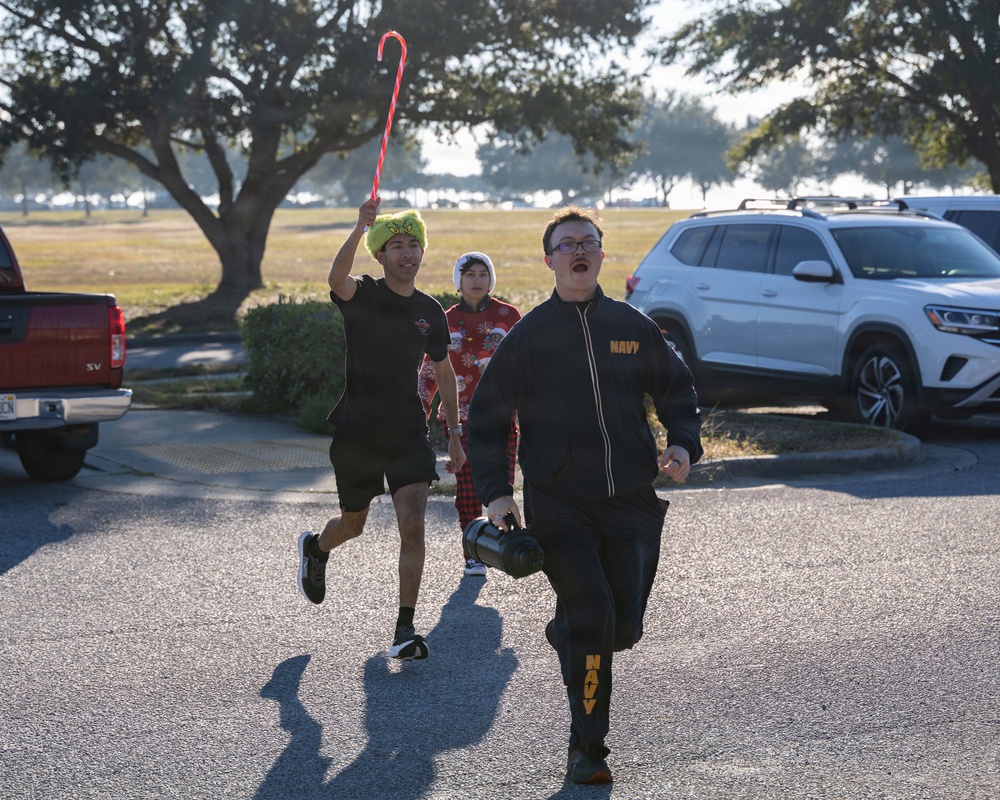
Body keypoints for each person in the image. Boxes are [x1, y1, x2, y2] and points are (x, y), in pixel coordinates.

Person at [467, 206, 703, 784]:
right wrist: (497, 495)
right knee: (595, 614)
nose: (579, 250)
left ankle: (567, 630)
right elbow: (487, 420)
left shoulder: (631, 325)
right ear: (550, 259)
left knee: (621, 630)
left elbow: (677, 388)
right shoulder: (529, 337)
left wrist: (683, 444)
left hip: (630, 500)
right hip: (559, 503)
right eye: (566, 243)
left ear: (600, 254)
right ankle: (588, 749)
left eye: (589, 242)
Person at [296, 198, 466, 662]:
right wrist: (357, 227)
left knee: (413, 527)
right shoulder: (362, 294)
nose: (407, 253)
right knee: (353, 525)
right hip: (357, 432)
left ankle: (405, 628)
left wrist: (453, 431)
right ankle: (316, 546)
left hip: (407, 432)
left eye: (414, 244)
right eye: (396, 246)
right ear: (380, 254)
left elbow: (444, 372)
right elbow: (334, 280)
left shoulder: (430, 311)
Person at [417, 252, 521, 578]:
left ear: (491, 279)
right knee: (466, 491)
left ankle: (503, 547)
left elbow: (526, 365)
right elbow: (429, 371)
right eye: (469, 274)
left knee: (500, 487)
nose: (477, 280)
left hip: (503, 419)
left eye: (482, 273)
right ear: (458, 281)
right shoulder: (443, 320)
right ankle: (473, 554)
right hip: (459, 422)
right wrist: (420, 409)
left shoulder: (509, 316)